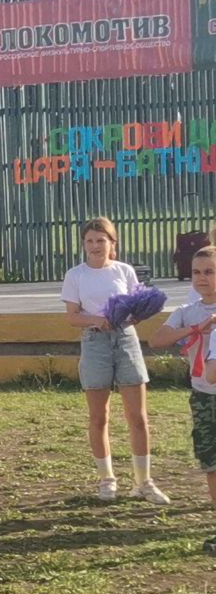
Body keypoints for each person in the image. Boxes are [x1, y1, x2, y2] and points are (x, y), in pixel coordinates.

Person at [60, 217, 169, 504]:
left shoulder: (124, 270)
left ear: (112, 243)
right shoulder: (76, 275)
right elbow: (72, 316)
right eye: (89, 241)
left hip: (125, 339)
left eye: (101, 240)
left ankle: (144, 481)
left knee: (138, 416)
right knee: (99, 416)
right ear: (83, 245)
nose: (95, 246)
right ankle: (107, 479)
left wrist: (135, 314)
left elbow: (137, 304)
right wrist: (98, 320)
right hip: (95, 340)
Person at [153, 247, 216, 551]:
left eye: (210, 272)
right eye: (196, 272)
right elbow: (157, 339)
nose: (202, 278)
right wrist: (195, 329)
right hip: (203, 395)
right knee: (211, 462)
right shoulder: (187, 311)